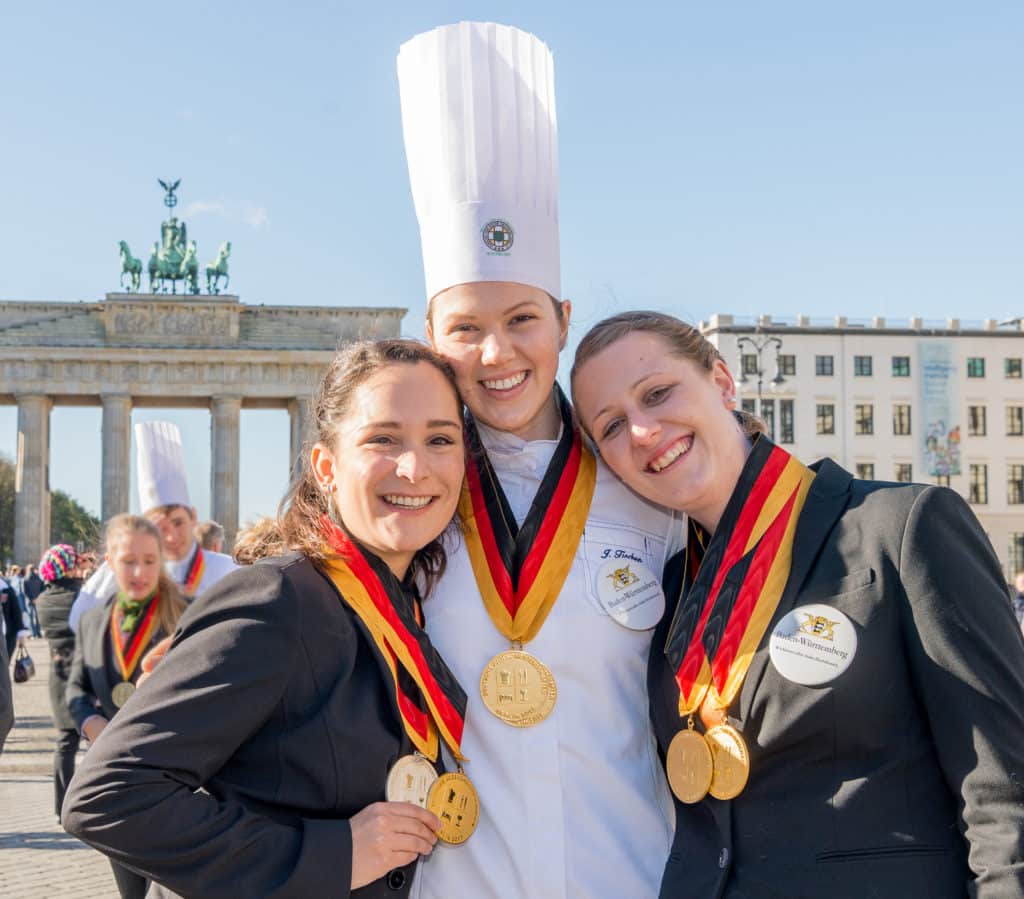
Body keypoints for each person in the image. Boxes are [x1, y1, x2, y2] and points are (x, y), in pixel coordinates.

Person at [570, 310, 1024, 898]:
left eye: (657, 393)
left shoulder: (900, 528)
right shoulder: (671, 590)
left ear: (722, 381)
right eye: (610, 426)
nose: (642, 431)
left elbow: (1002, 786)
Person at [398, 23, 684, 899]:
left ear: (561, 317)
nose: (497, 354)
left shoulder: (648, 480)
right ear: (430, 337)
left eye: (522, 319)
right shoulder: (409, 503)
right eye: (466, 329)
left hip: (633, 874)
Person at [63, 340, 473, 898]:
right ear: (326, 467)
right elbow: (107, 796)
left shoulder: (413, 600)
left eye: (440, 439)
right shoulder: (277, 598)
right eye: (383, 438)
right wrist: (333, 855)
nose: (414, 466)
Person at [66, 514, 188, 899]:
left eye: (150, 561)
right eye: (128, 561)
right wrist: (92, 726)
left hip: (177, 780)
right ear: (109, 561)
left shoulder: (187, 616)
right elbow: (75, 690)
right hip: (118, 778)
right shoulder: (92, 622)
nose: (139, 572)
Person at [69, 421, 238, 631]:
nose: (170, 537)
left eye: (178, 522)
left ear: (193, 517)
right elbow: (78, 621)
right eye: (159, 527)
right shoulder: (129, 570)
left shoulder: (227, 570)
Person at [35, 543, 85, 816]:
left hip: (58, 674)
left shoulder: (43, 601)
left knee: (66, 742)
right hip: (86, 672)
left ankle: (61, 805)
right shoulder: (81, 597)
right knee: (97, 740)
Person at [22, 564, 43, 637]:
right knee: (37, 617)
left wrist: (32, 599)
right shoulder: (38, 578)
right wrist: (37, 598)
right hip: (36, 600)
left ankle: (34, 633)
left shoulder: (25, 579)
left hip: (30, 601)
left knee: (31, 617)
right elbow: (42, 589)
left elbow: (24, 591)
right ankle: (37, 632)